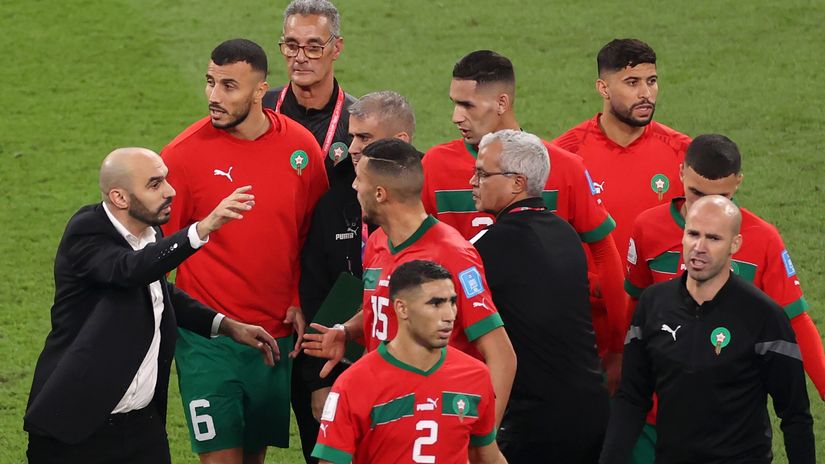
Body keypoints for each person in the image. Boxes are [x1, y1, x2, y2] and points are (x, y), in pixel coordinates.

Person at [24, 148, 279, 464]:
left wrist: (225, 325)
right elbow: (130, 271)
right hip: (78, 428)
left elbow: (158, 292)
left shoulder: (149, 232)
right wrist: (201, 229)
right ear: (120, 198)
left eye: (166, 180)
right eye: (155, 184)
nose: (170, 191)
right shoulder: (86, 232)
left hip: (142, 429)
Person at [161, 39, 328, 464]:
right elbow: (158, 253)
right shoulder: (182, 157)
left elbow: (312, 237)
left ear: (260, 90)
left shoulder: (301, 147)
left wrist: (297, 299)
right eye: (210, 82)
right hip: (208, 338)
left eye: (229, 86)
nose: (214, 97)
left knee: (253, 458)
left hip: (274, 336)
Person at [422, 50, 626, 384]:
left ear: (502, 103)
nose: (456, 116)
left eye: (467, 105)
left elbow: (605, 252)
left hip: (548, 358)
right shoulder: (434, 166)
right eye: (454, 103)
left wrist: (617, 348)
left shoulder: (564, 167)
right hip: (465, 358)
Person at [623, 134, 825, 463]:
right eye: (697, 194)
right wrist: (618, 361)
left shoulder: (763, 239)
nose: (708, 207)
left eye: (723, 197)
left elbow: (795, 320)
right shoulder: (648, 227)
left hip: (727, 421)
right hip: (656, 412)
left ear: (738, 184)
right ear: (681, 173)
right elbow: (634, 308)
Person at [303, 138, 516, 426]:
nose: (354, 187)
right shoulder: (379, 241)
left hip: (430, 420)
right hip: (380, 412)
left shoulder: (452, 255)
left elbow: (502, 356)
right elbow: (381, 305)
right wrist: (348, 331)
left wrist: (482, 440)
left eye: (360, 180)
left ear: (380, 193)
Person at [470, 130, 609, 463]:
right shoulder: (565, 234)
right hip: (591, 411)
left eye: (482, 174)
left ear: (517, 183)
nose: (472, 180)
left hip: (535, 423)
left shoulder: (489, 247)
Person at [296, 90, 415, 462]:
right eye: (351, 136)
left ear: (400, 143)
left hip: (410, 374)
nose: (351, 148)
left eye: (364, 138)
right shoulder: (336, 200)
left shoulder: (431, 195)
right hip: (342, 371)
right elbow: (314, 294)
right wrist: (320, 380)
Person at [311, 260, 506, 464]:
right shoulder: (354, 384)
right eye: (436, 303)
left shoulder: (475, 375)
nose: (449, 315)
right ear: (402, 309)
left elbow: (487, 457)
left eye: (452, 302)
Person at [554, 38, 692, 262]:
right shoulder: (566, 154)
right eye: (632, 82)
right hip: (591, 295)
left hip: (658, 294)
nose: (646, 93)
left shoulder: (684, 153)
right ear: (603, 88)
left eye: (652, 81)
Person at [264, 0, 355, 189]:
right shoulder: (259, 108)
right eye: (292, 45)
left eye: (314, 48)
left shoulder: (357, 121)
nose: (300, 57)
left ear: (336, 48)